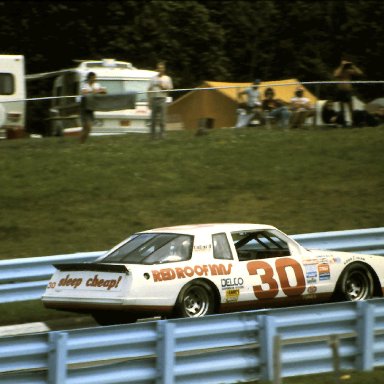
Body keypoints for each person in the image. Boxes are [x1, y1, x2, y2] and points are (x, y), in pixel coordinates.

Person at [333, 60, 363, 126]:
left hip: (348, 91)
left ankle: (353, 122)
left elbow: (360, 73)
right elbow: (336, 74)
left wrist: (352, 65)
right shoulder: (339, 70)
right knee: (342, 108)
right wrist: (342, 65)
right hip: (340, 91)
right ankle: (343, 122)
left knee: (351, 108)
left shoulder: (348, 71)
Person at [147, 61, 173, 139]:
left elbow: (169, 90)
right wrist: (149, 100)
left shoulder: (167, 78)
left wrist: (161, 86)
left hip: (162, 99)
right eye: (158, 68)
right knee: (153, 119)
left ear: (164, 69)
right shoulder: (153, 78)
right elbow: (149, 89)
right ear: (157, 69)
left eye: (161, 68)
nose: (160, 69)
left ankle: (162, 135)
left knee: (162, 119)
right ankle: (152, 136)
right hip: (154, 99)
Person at [80, 72, 107, 144]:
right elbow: (84, 92)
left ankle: (81, 142)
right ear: (89, 78)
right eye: (94, 77)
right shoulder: (84, 85)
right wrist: (93, 91)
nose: (95, 79)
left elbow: (104, 91)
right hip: (84, 108)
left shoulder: (97, 85)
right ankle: (81, 142)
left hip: (91, 108)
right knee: (87, 127)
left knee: (87, 128)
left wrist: (99, 91)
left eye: (95, 77)